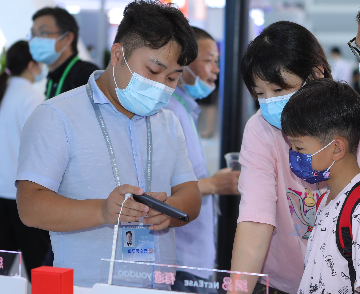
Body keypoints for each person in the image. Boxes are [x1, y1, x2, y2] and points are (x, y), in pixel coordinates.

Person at [16, 0, 201, 288]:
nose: (161, 86)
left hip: (160, 284)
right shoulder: (57, 115)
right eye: (153, 72)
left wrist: (170, 211)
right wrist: (102, 211)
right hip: (87, 285)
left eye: (173, 78)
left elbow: (190, 194)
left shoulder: (168, 122)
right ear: (118, 54)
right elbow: (30, 206)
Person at [229, 21, 332, 294]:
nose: (270, 103)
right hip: (279, 284)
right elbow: (255, 218)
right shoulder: (261, 128)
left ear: (316, 75)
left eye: (279, 90)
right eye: (260, 94)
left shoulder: (349, 124)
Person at [164, 27, 240, 293]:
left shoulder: (184, 107)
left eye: (216, 61)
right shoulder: (168, 109)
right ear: (184, 60)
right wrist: (214, 185)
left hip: (194, 255)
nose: (216, 69)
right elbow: (160, 186)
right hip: (182, 258)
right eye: (208, 60)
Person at [281, 79, 360, 293]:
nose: (294, 156)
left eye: (299, 147)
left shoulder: (356, 211)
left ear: (336, 149)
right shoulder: (327, 197)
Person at [0, 41, 46, 280]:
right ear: (31, 65)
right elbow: (41, 149)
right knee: (39, 268)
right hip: (23, 198)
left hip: (2, 194)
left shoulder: (4, 90)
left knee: (2, 270)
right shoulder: (32, 97)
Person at [29, 7, 99, 100]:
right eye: (33, 34)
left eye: (43, 32)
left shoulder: (86, 75)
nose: (35, 40)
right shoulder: (52, 77)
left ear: (67, 38)